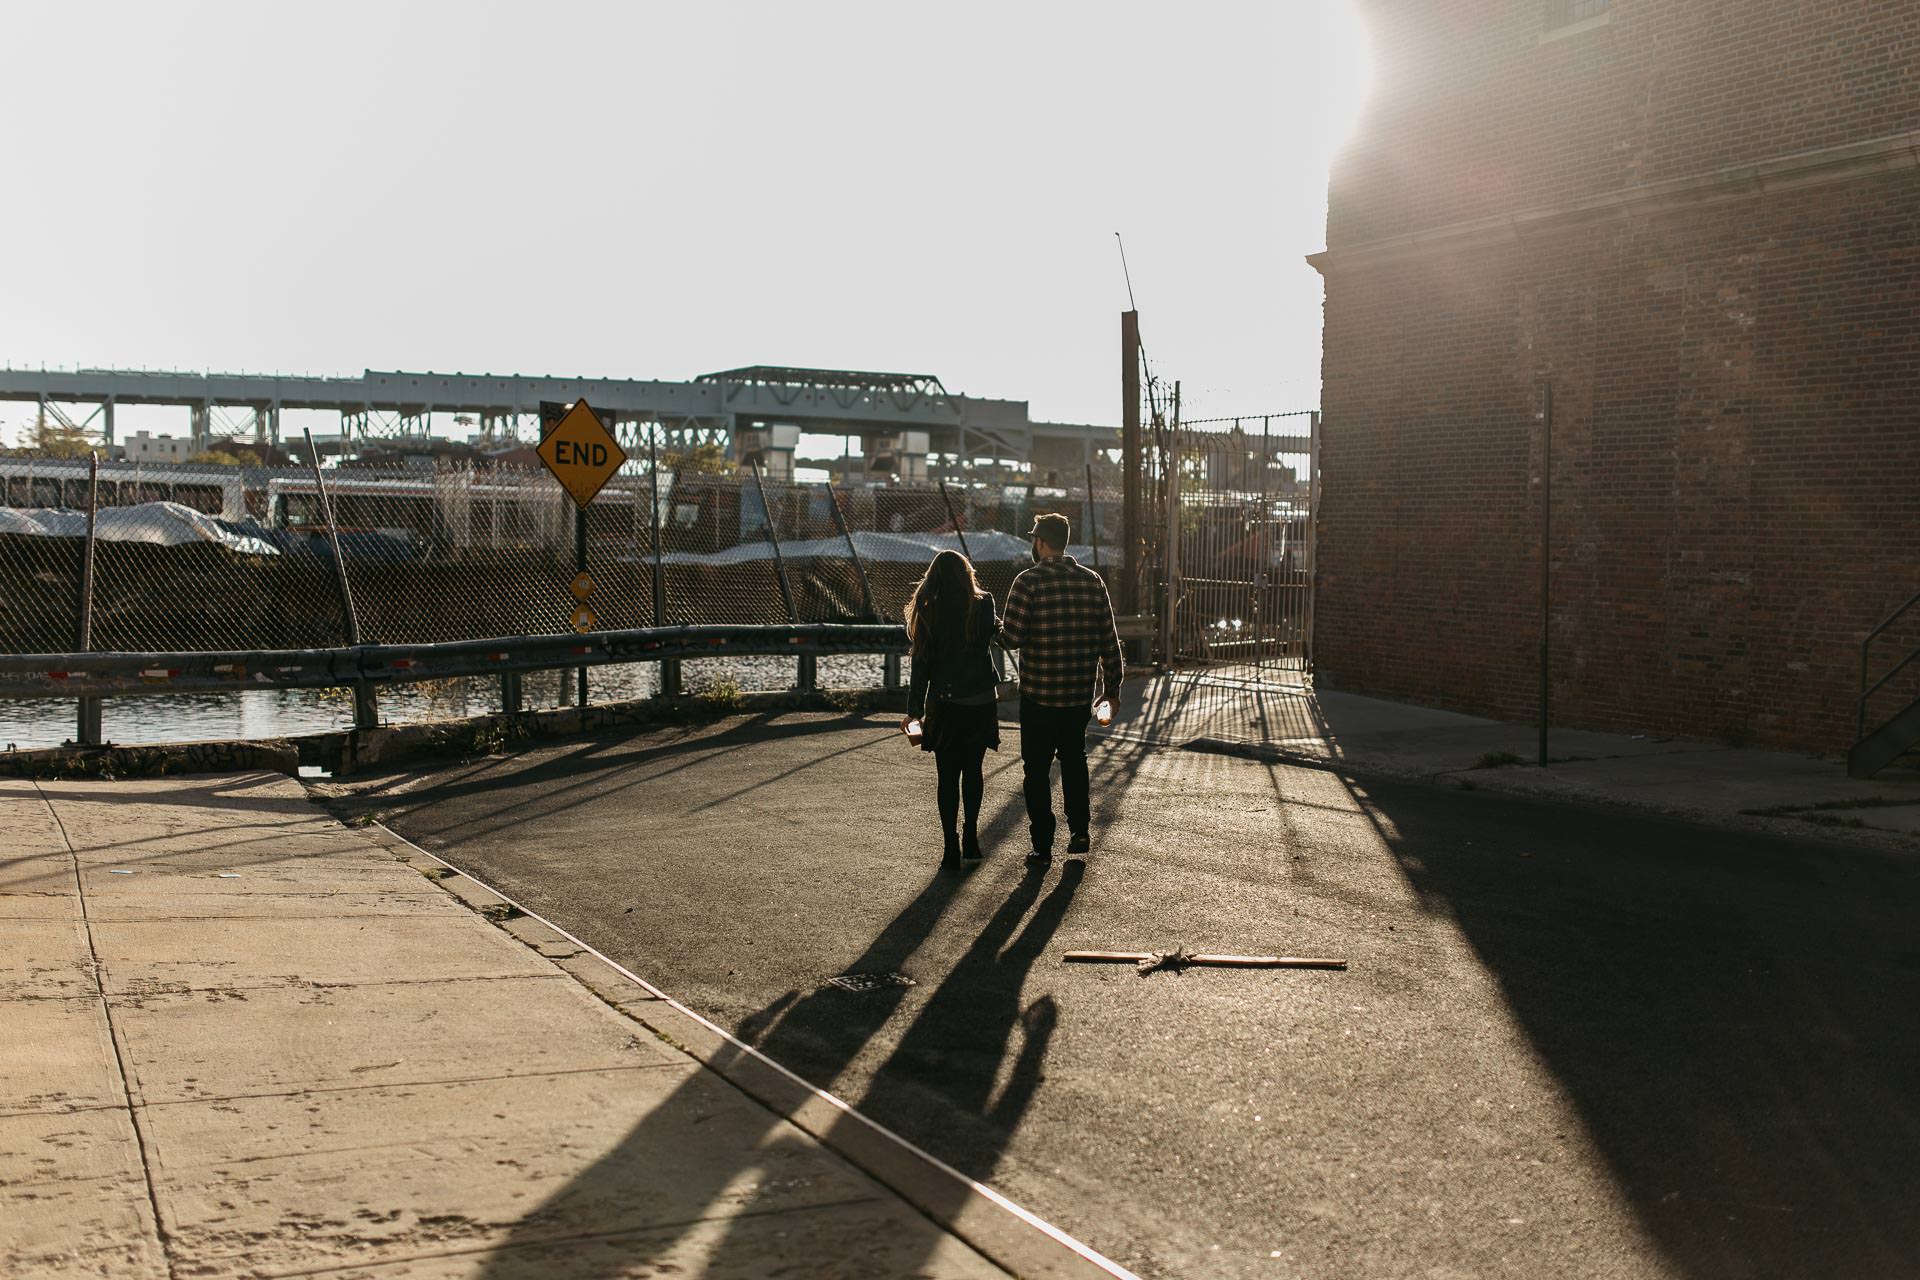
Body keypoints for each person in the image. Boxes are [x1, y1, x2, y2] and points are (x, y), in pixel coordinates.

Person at [998, 512, 1123, 863]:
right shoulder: (1093, 581)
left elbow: (1012, 637)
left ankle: (1042, 845)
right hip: (1077, 695)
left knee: (1036, 770)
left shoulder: (1027, 582)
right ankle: (1080, 830)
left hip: (1038, 694)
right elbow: (1109, 642)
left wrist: (993, 626)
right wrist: (1111, 689)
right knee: (1074, 760)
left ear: (1039, 542)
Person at [904, 549, 1002, 866]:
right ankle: (971, 836)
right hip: (980, 702)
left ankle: (950, 847)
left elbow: (920, 666)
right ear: (966, 574)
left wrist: (914, 711)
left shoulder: (928, 608)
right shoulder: (983, 603)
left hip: (944, 705)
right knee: (973, 771)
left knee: (947, 777)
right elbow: (994, 634)